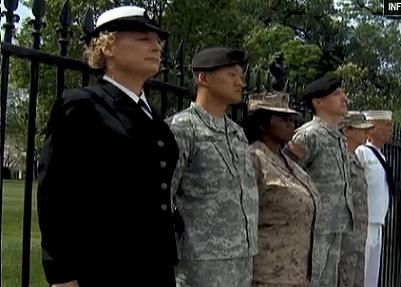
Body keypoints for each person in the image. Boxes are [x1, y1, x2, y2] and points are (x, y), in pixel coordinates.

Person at [37, 6, 179, 287]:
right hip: (104, 270)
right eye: (143, 39)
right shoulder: (82, 106)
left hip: (155, 270)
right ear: (108, 45)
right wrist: (62, 275)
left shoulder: (156, 121)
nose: (156, 46)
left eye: (158, 41)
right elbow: (56, 195)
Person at [166, 47, 258, 287]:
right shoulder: (183, 128)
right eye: (231, 75)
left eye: (241, 75)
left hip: (241, 263)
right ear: (203, 78)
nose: (240, 81)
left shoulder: (237, 133)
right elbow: (164, 197)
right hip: (199, 267)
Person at [285, 75, 354, 286]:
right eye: (336, 94)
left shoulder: (338, 138)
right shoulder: (308, 136)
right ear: (318, 102)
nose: (344, 98)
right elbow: (287, 175)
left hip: (335, 224)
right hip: (314, 229)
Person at [244, 92, 319, 287]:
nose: (290, 123)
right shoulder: (253, 159)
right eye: (283, 118)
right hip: (267, 276)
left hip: (296, 275)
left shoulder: (289, 163)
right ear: (262, 123)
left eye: (292, 119)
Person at [355, 110, 394, 287]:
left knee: (371, 277)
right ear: (372, 129)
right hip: (364, 222)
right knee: (361, 275)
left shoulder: (381, 156)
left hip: (377, 222)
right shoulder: (361, 152)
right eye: (386, 125)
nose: (391, 130)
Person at [338, 111, 375, 286]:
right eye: (361, 129)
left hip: (357, 238)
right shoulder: (339, 158)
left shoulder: (355, 159)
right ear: (347, 131)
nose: (366, 134)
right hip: (344, 240)